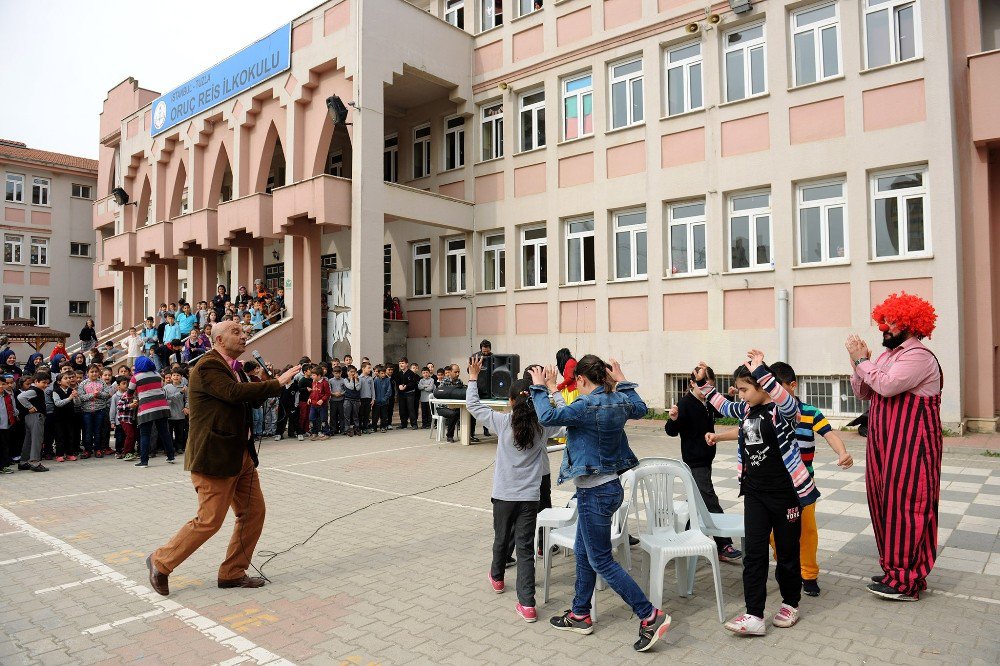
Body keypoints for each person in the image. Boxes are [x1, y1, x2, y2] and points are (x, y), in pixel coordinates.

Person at [146, 320, 300, 596]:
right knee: (209, 521)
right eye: (236, 333)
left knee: (253, 512)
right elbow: (231, 394)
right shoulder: (208, 367)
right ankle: (161, 561)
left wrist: (269, 383)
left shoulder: (234, 369)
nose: (244, 337)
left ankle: (232, 572)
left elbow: (246, 399)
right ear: (218, 340)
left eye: (244, 332)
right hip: (215, 457)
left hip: (240, 455)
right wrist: (275, 384)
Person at [530, 355, 669, 652]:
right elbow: (641, 409)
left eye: (575, 383)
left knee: (601, 560)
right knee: (583, 551)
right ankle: (581, 613)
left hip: (595, 492)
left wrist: (540, 387)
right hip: (607, 488)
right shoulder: (617, 399)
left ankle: (649, 615)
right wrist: (623, 380)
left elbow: (550, 417)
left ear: (581, 379)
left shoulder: (586, 404)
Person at [702, 350, 818, 636]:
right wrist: (706, 385)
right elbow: (723, 406)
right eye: (739, 389)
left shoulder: (784, 412)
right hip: (754, 493)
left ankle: (791, 603)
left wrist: (764, 373)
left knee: (787, 554)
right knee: (754, 555)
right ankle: (754, 614)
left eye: (744, 389)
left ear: (762, 386)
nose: (740, 395)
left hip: (785, 494)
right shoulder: (747, 410)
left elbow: (786, 401)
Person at [847, 292, 942, 602]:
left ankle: (906, 582)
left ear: (911, 324)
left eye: (891, 323)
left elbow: (886, 386)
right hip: (883, 443)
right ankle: (894, 571)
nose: (884, 328)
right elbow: (864, 391)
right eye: (883, 321)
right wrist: (857, 364)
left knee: (908, 506)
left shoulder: (918, 356)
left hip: (912, 445)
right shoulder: (888, 356)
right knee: (883, 503)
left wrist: (864, 362)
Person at [468, 357, 564, 624]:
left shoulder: (501, 422)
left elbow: (473, 406)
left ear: (510, 400)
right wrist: (553, 388)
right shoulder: (542, 426)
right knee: (524, 549)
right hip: (530, 498)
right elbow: (563, 417)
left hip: (503, 495)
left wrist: (474, 377)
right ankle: (527, 605)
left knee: (501, 539)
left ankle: (497, 579)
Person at [664, 364, 743, 564]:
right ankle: (723, 543)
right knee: (709, 499)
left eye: (710, 386)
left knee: (697, 503)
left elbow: (723, 411)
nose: (706, 390)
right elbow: (671, 431)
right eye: (702, 386)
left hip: (706, 459)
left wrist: (732, 397)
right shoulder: (685, 403)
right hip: (694, 461)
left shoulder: (707, 402)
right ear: (692, 383)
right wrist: (673, 418)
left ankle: (683, 541)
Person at [129, 356, 176, 467]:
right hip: (162, 407)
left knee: (145, 434)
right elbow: (160, 387)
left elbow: (129, 392)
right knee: (165, 432)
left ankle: (144, 461)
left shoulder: (136, 377)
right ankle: (170, 456)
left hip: (146, 409)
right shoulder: (157, 374)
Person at [16, 372, 50, 472]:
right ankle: (35, 463)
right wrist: (30, 407)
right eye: (44, 382)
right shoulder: (35, 390)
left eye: (47, 383)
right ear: (36, 381)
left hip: (30, 417)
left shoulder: (34, 390)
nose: (46, 385)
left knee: (29, 440)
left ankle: (23, 462)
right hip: (36, 417)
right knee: (37, 440)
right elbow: (20, 397)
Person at [78, 364, 113, 458]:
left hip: (100, 410)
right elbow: (80, 397)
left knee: (98, 431)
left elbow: (107, 395)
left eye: (96, 371)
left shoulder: (102, 383)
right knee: (87, 431)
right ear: (87, 373)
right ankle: (87, 450)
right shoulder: (83, 383)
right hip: (87, 411)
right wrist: (92, 395)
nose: (94, 373)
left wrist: (99, 394)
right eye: (92, 372)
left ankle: (98, 449)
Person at [165, 371, 189, 454]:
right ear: (171, 377)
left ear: (181, 377)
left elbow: (187, 399)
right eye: (174, 375)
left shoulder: (184, 387)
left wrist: (186, 407)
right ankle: (169, 449)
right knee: (169, 433)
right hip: (169, 414)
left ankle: (179, 448)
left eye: (178, 375)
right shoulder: (166, 387)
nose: (175, 377)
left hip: (180, 414)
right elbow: (168, 398)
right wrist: (180, 393)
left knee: (180, 432)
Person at [0, 375, 18, 474]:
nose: (1, 386)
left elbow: (12, 408)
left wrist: (16, 414)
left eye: (3, 384)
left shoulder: (7, 396)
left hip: (5, 425)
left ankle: (3, 466)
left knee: (4, 446)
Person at [307, 367, 330, 440]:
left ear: (319, 375)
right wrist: (310, 398)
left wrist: (322, 400)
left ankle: (326, 433)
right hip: (313, 405)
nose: (312, 376)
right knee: (311, 418)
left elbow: (328, 394)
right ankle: (314, 433)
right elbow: (313, 392)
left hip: (322, 406)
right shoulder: (313, 382)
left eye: (313, 375)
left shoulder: (325, 383)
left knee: (323, 419)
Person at [396, 360, 419, 430]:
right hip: (401, 394)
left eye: (402, 363)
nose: (401, 365)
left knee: (411, 409)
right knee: (402, 409)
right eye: (400, 363)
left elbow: (414, 383)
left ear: (407, 364)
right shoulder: (398, 374)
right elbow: (397, 383)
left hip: (410, 393)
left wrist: (406, 386)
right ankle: (403, 424)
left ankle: (414, 424)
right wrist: (399, 386)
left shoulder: (411, 373)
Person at [342, 366, 362, 436]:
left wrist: (356, 379)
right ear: (347, 372)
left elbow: (357, 388)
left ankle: (356, 428)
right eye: (351, 372)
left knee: (355, 416)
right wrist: (351, 379)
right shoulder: (345, 380)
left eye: (354, 372)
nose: (353, 373)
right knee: (347, 416)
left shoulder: (358, 380)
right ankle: (347, 429)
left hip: (356, 400)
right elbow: (350, 387)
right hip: (348, 399)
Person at [373, 365, 392, 433]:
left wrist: (385, 398)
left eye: (384, 373)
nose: (383, 375)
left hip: (385, 402)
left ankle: (383, 427)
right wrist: (375, 399)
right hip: (377, 402)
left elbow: (389, 391)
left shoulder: (387, 380)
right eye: (382, 373)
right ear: (378, 373)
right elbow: (373, 391)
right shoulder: (375, 381)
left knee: (384, 416)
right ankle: (374, 427)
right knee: (375, 416)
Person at [328, 365, 346, 436]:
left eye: (339, 373)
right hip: (333, 400)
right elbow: (329, 390)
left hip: (341, 400)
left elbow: (345, 390)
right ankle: (333, 430)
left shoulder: (344, 380)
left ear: (341, 372)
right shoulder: (330, 381)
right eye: (336, 373)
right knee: (333, 416)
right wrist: (333, 394)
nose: (337, 374)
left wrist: (341, 393)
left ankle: (342, 429)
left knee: (342, 415)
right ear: (333, 373)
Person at [358, 363, 375, 434]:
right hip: (361, 399)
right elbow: (358, 389)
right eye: (368, 368)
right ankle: (359, 427)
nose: (370, 369)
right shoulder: (359, 378)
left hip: (368, 398)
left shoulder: (370, 378)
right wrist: (358, 399)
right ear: (363, 368)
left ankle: (365, 427)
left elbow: (372, 389)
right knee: (360, 414)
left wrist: (373, 399)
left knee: (367, 414)